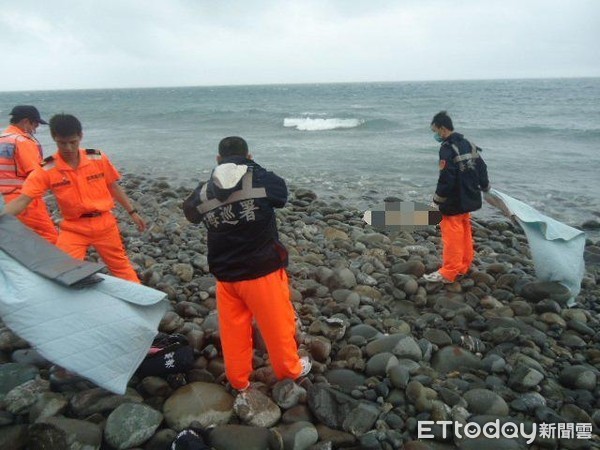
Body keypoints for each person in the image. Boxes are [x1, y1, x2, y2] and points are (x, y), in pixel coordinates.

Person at [183, 136, 310, 391]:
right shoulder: (258, 179)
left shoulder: (205, 190)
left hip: (226, 276)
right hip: (261, 270)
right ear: (249, 157)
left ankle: (238, 380)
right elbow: (281, 194)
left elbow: (190, 213)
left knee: (233, 331)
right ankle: (289, 369)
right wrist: (253, 167)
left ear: (218, 160)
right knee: (277, 325)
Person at [2, 113, 145, 283]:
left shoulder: (97, 157)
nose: (68, 148)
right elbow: (22, 200)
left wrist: (133, 212)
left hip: (105, 225)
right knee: (62, 271)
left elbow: (112, 186)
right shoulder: (47, 168)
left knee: (121, 267)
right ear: (54, 138)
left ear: (80, 136)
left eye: (73, 142)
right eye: (62, 143)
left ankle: (144, 301)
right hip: (73, 229)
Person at [423, 111, 490, 283]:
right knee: (464, 230)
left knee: (451, 235)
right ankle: (463, 265)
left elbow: (446, 178)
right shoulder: (467, 143)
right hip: (469, 197)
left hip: (453, 201)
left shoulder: (447, 148)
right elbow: (481, 167)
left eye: (435, 131)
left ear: (443, 129)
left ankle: (449, 271)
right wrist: (485, 186)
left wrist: (437, 200)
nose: (435, 135)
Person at [0, 105, 58, 243]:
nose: (36, 128)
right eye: (35, 124)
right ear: (26, 122)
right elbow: (36, 173)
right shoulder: (23, 141)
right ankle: (54, 264)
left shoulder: (2, 138)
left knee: (13, 239)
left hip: (3, 200)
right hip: (23, 199)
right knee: (49, 237)